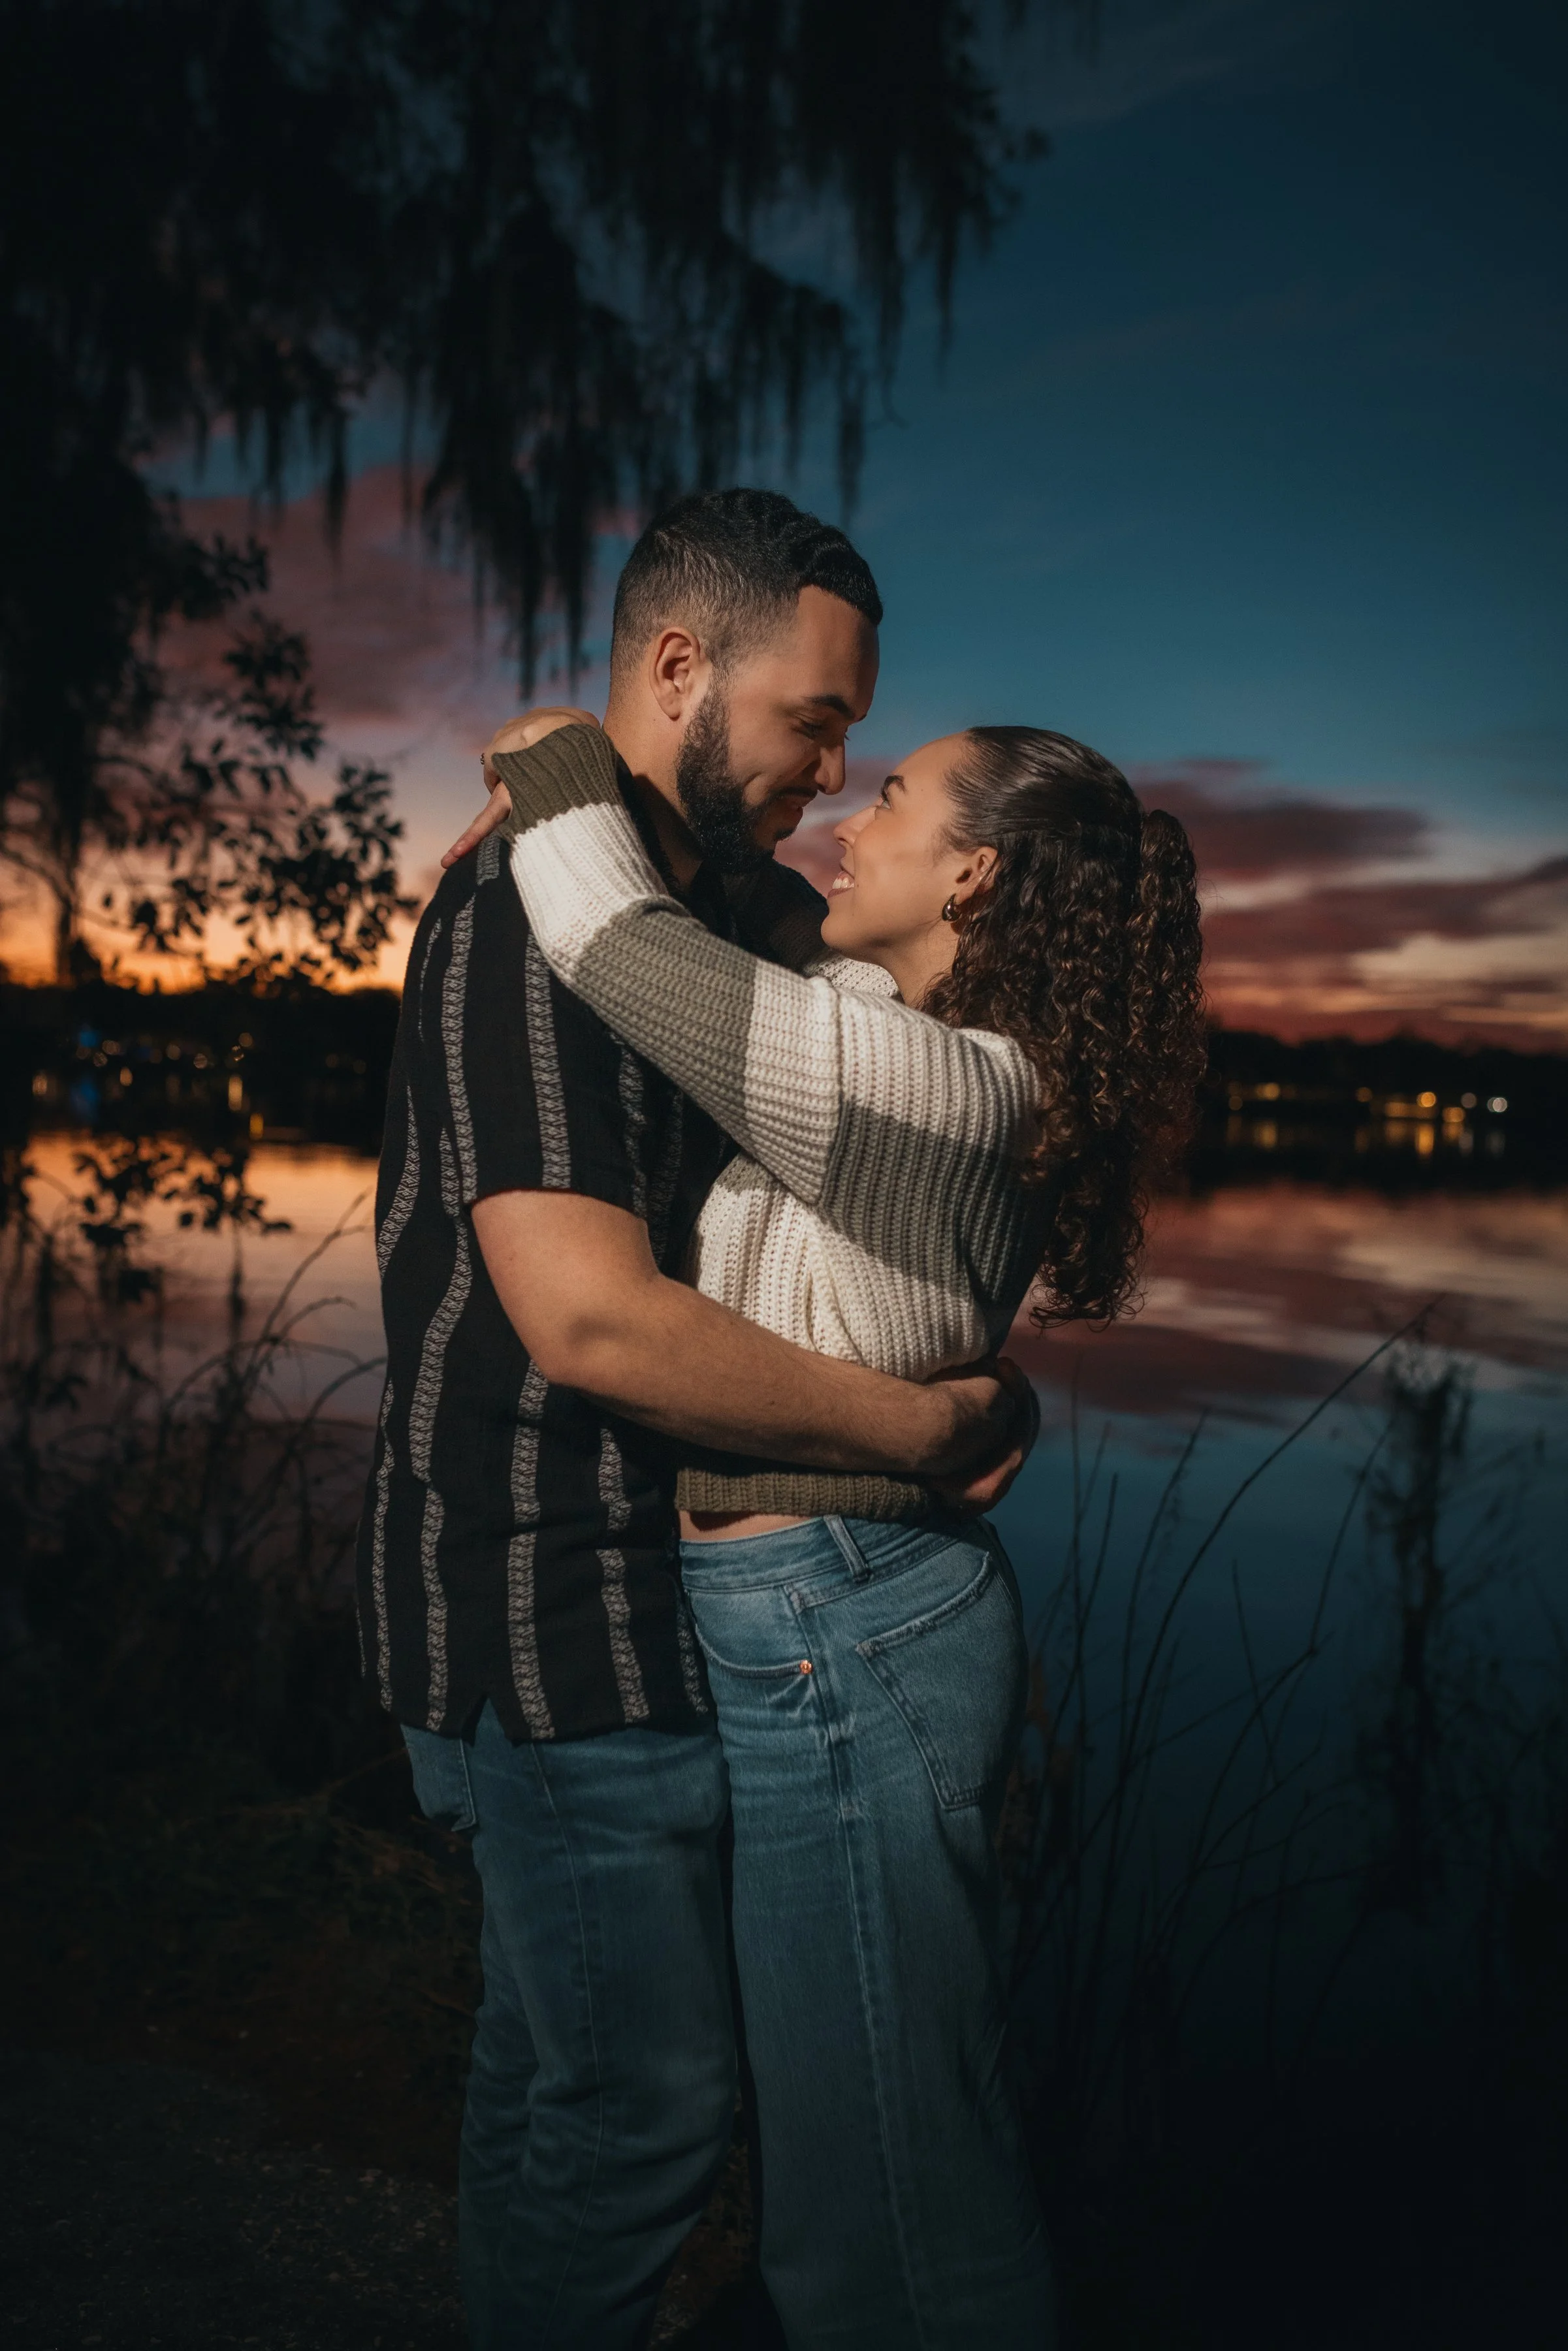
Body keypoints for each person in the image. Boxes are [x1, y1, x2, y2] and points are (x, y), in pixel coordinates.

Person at [358, 488, 1034, 2351]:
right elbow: (588, 1320)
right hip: (548, 1595)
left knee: (558, 2079)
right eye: (817, 720)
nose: (836, 768)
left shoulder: (708, 908)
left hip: (660, 1605)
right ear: (683, 669)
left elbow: (905, 1143)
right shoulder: (528, 914)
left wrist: (987, 1355)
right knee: (641, 2110)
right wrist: (916, 1430)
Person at [468, 697, 1205, 2346]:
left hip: (850, 1629)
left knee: (885, 2188)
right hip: (831, 1615)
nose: (847, 820)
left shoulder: (928, 1082)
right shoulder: (889, 1025)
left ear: (976, 880)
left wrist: (553, 764)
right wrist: (972, 1407)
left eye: (889, 795)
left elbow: (616, 941)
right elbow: (786, 942)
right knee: (855, 2149)